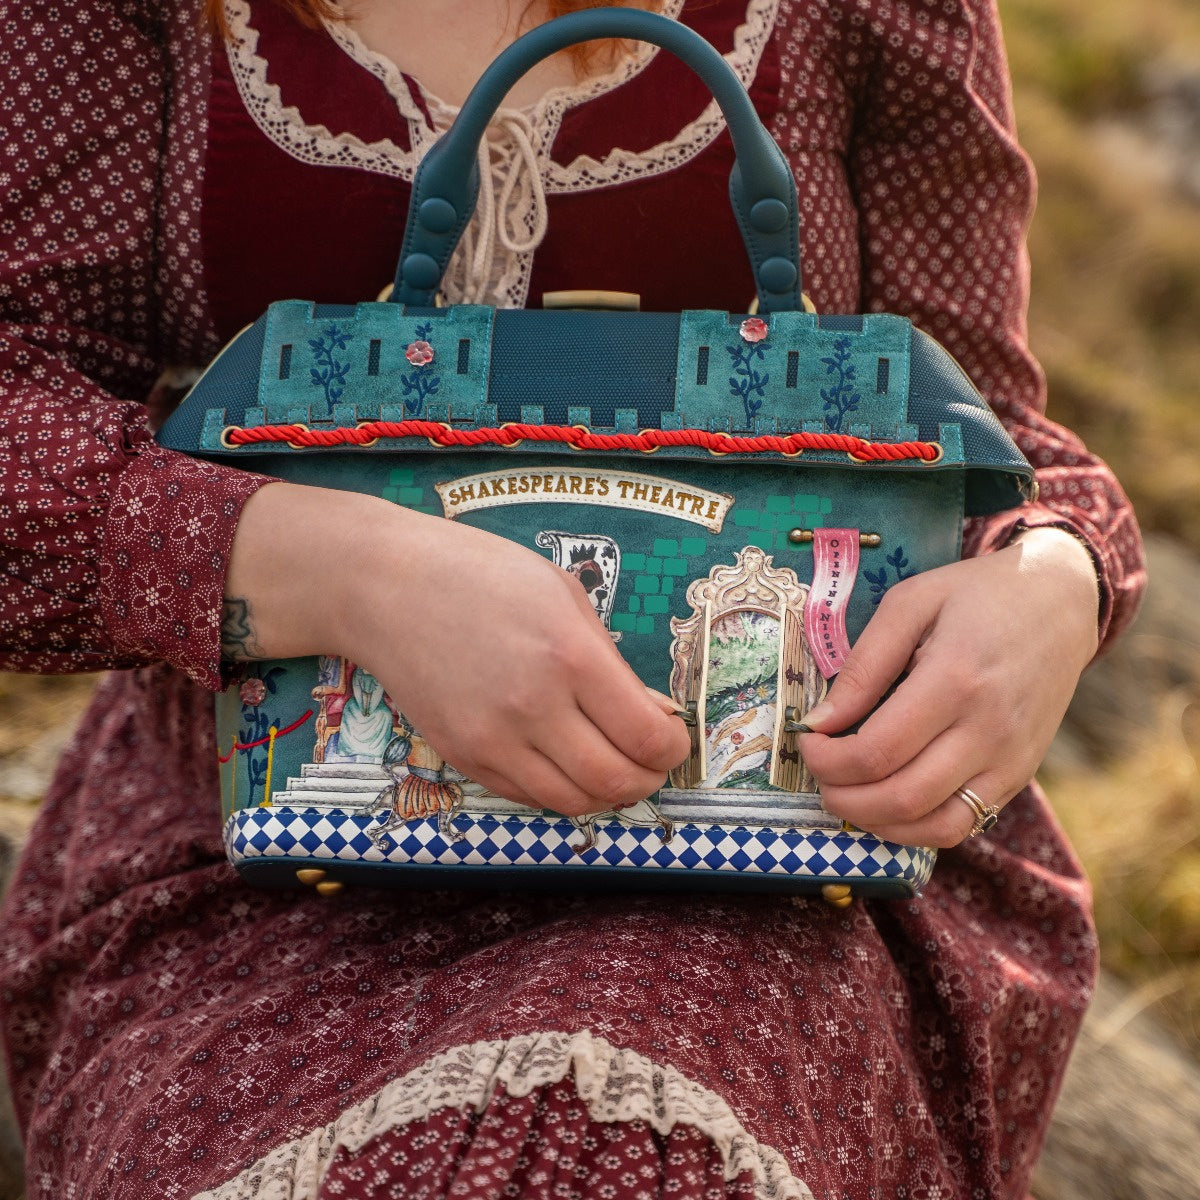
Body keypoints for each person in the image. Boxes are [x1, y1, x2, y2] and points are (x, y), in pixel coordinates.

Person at [0, 0, 1146, 1197]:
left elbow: (992, 440)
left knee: (620, 1141)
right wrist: (347, 574)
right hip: (252, 826)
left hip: (790, 864)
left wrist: (1053, 584)